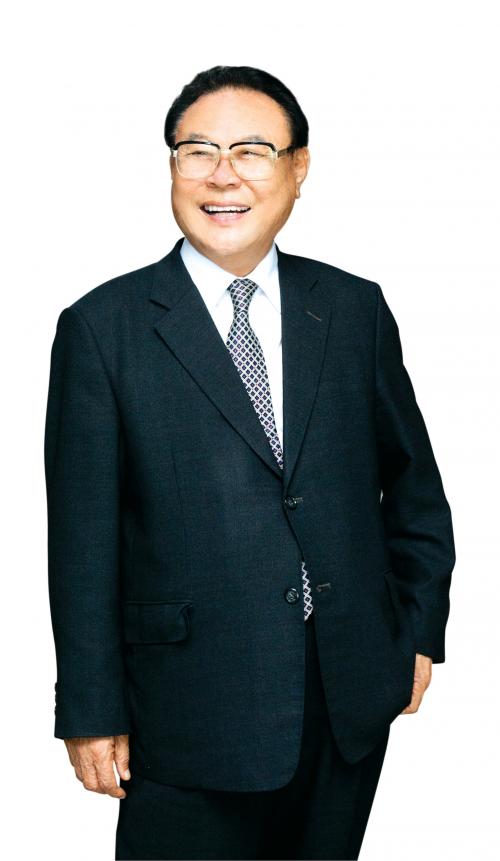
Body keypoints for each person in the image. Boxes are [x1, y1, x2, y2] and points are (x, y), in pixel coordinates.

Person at [44, 65, 456, 860]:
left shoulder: (352, 308)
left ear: (299, 168)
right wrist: (90, 707)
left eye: (252, 150)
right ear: (172, 166)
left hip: (346, 695)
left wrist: (417, 629)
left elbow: (414, 487)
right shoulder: (103, 328)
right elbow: (82, 541)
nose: (222, 174)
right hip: (185, 707)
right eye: (197, 150)